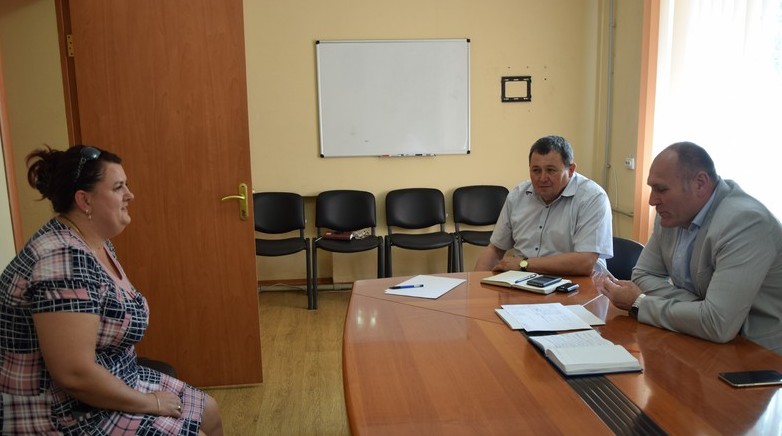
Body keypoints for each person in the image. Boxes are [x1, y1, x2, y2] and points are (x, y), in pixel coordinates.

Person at [0, 145, 223, 435]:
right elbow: (74, 374)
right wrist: (151, 403)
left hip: (113, 379)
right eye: (118, 187)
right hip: (63, 414)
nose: (130, 195)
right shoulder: (63, 261)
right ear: (84, 200)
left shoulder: (95, 243)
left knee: (209, 411)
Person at [599, 142, 782, 354]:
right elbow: (642, 275)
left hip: (758, 355)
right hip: (699, 337)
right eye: (651, 188)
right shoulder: (672, 214)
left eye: (661, 189)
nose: (652, 200)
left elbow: (717, 324)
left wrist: (640, 303)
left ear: (700, 184)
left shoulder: (745, 222)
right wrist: (698, 309)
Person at [474, 135, 613, 275]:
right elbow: (495, 249)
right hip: (521, 280)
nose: (542, 178)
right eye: (536, 170)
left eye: (551, 170)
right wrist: (476, 282)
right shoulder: (518, 196)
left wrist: (524, 264)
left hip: (575, 282)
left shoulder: (592, 198)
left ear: (571, 170)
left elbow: (585, 262)